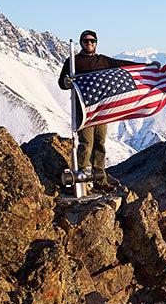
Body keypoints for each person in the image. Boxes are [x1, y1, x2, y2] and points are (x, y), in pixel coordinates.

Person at [58, 30, 139, 187]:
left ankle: (100, 180)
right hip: (84, 110)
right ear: (81, 42)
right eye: (86, 41)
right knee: (86, 143)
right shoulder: (73, 62)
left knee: (100, 144)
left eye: (92, 41)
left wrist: (147, 66)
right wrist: (67, 83)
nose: (89, 43)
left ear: (96, 42)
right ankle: (81, 179)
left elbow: (124, 65)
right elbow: (61, 82)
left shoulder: (103, 60)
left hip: (102, 110)